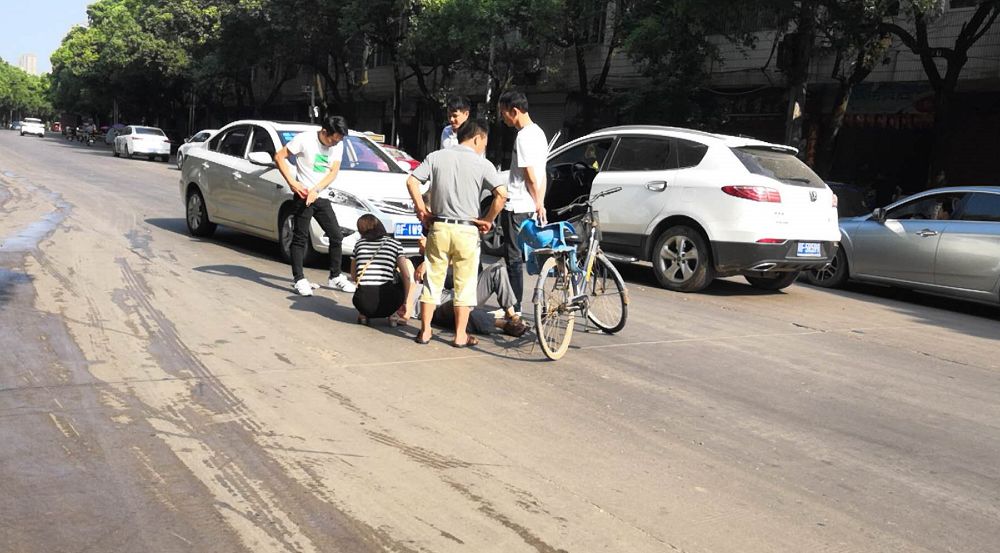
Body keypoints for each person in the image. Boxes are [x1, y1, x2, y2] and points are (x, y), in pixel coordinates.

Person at [407, 119, 508, 347]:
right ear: (477, 138)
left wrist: (422, 210)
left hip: (439, 227)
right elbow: (501, 195)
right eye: (484, 142)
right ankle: (460, 336)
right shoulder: (483, 164)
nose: (484, 147)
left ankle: (424, 332)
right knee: (465, 285)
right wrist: (488, 221)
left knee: (433, 281)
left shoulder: (436, 157)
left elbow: (412, 181)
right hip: (467, 230)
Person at [274, 114, 357, 296]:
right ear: (324, 132)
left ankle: (335, 276)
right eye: (333, 140)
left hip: (321, 195)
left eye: (338, 141)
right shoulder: (304, 139)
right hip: (303, 196)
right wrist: (293, 184)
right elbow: (279, 157)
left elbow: (333, 172)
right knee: (300, 238)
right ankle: (299, 279)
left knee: (336, 236)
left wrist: (316, 190)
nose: (334, 144)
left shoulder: (338, 144)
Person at [498, 90, 548, 314]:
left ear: (514, 111)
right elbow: (542, 174)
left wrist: (537, 201)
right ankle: (533, 304)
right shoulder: (540, 133)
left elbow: (529, 175)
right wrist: (541, 203)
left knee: (513, 259)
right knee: (529, 258)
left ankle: (514, 307)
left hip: (518, 205)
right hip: (530, 206)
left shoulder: (524, 136)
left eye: (504, 113)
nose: (503, 118)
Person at [350, 214, 419, 326]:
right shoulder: (395, 244)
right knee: (399, 275)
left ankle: (363, 314)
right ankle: (392, 315)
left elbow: (353, 276)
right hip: (390, 304)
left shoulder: (359, 244)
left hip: (362, 302)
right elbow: (406, 276)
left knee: (365, 283)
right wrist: (405, 301)